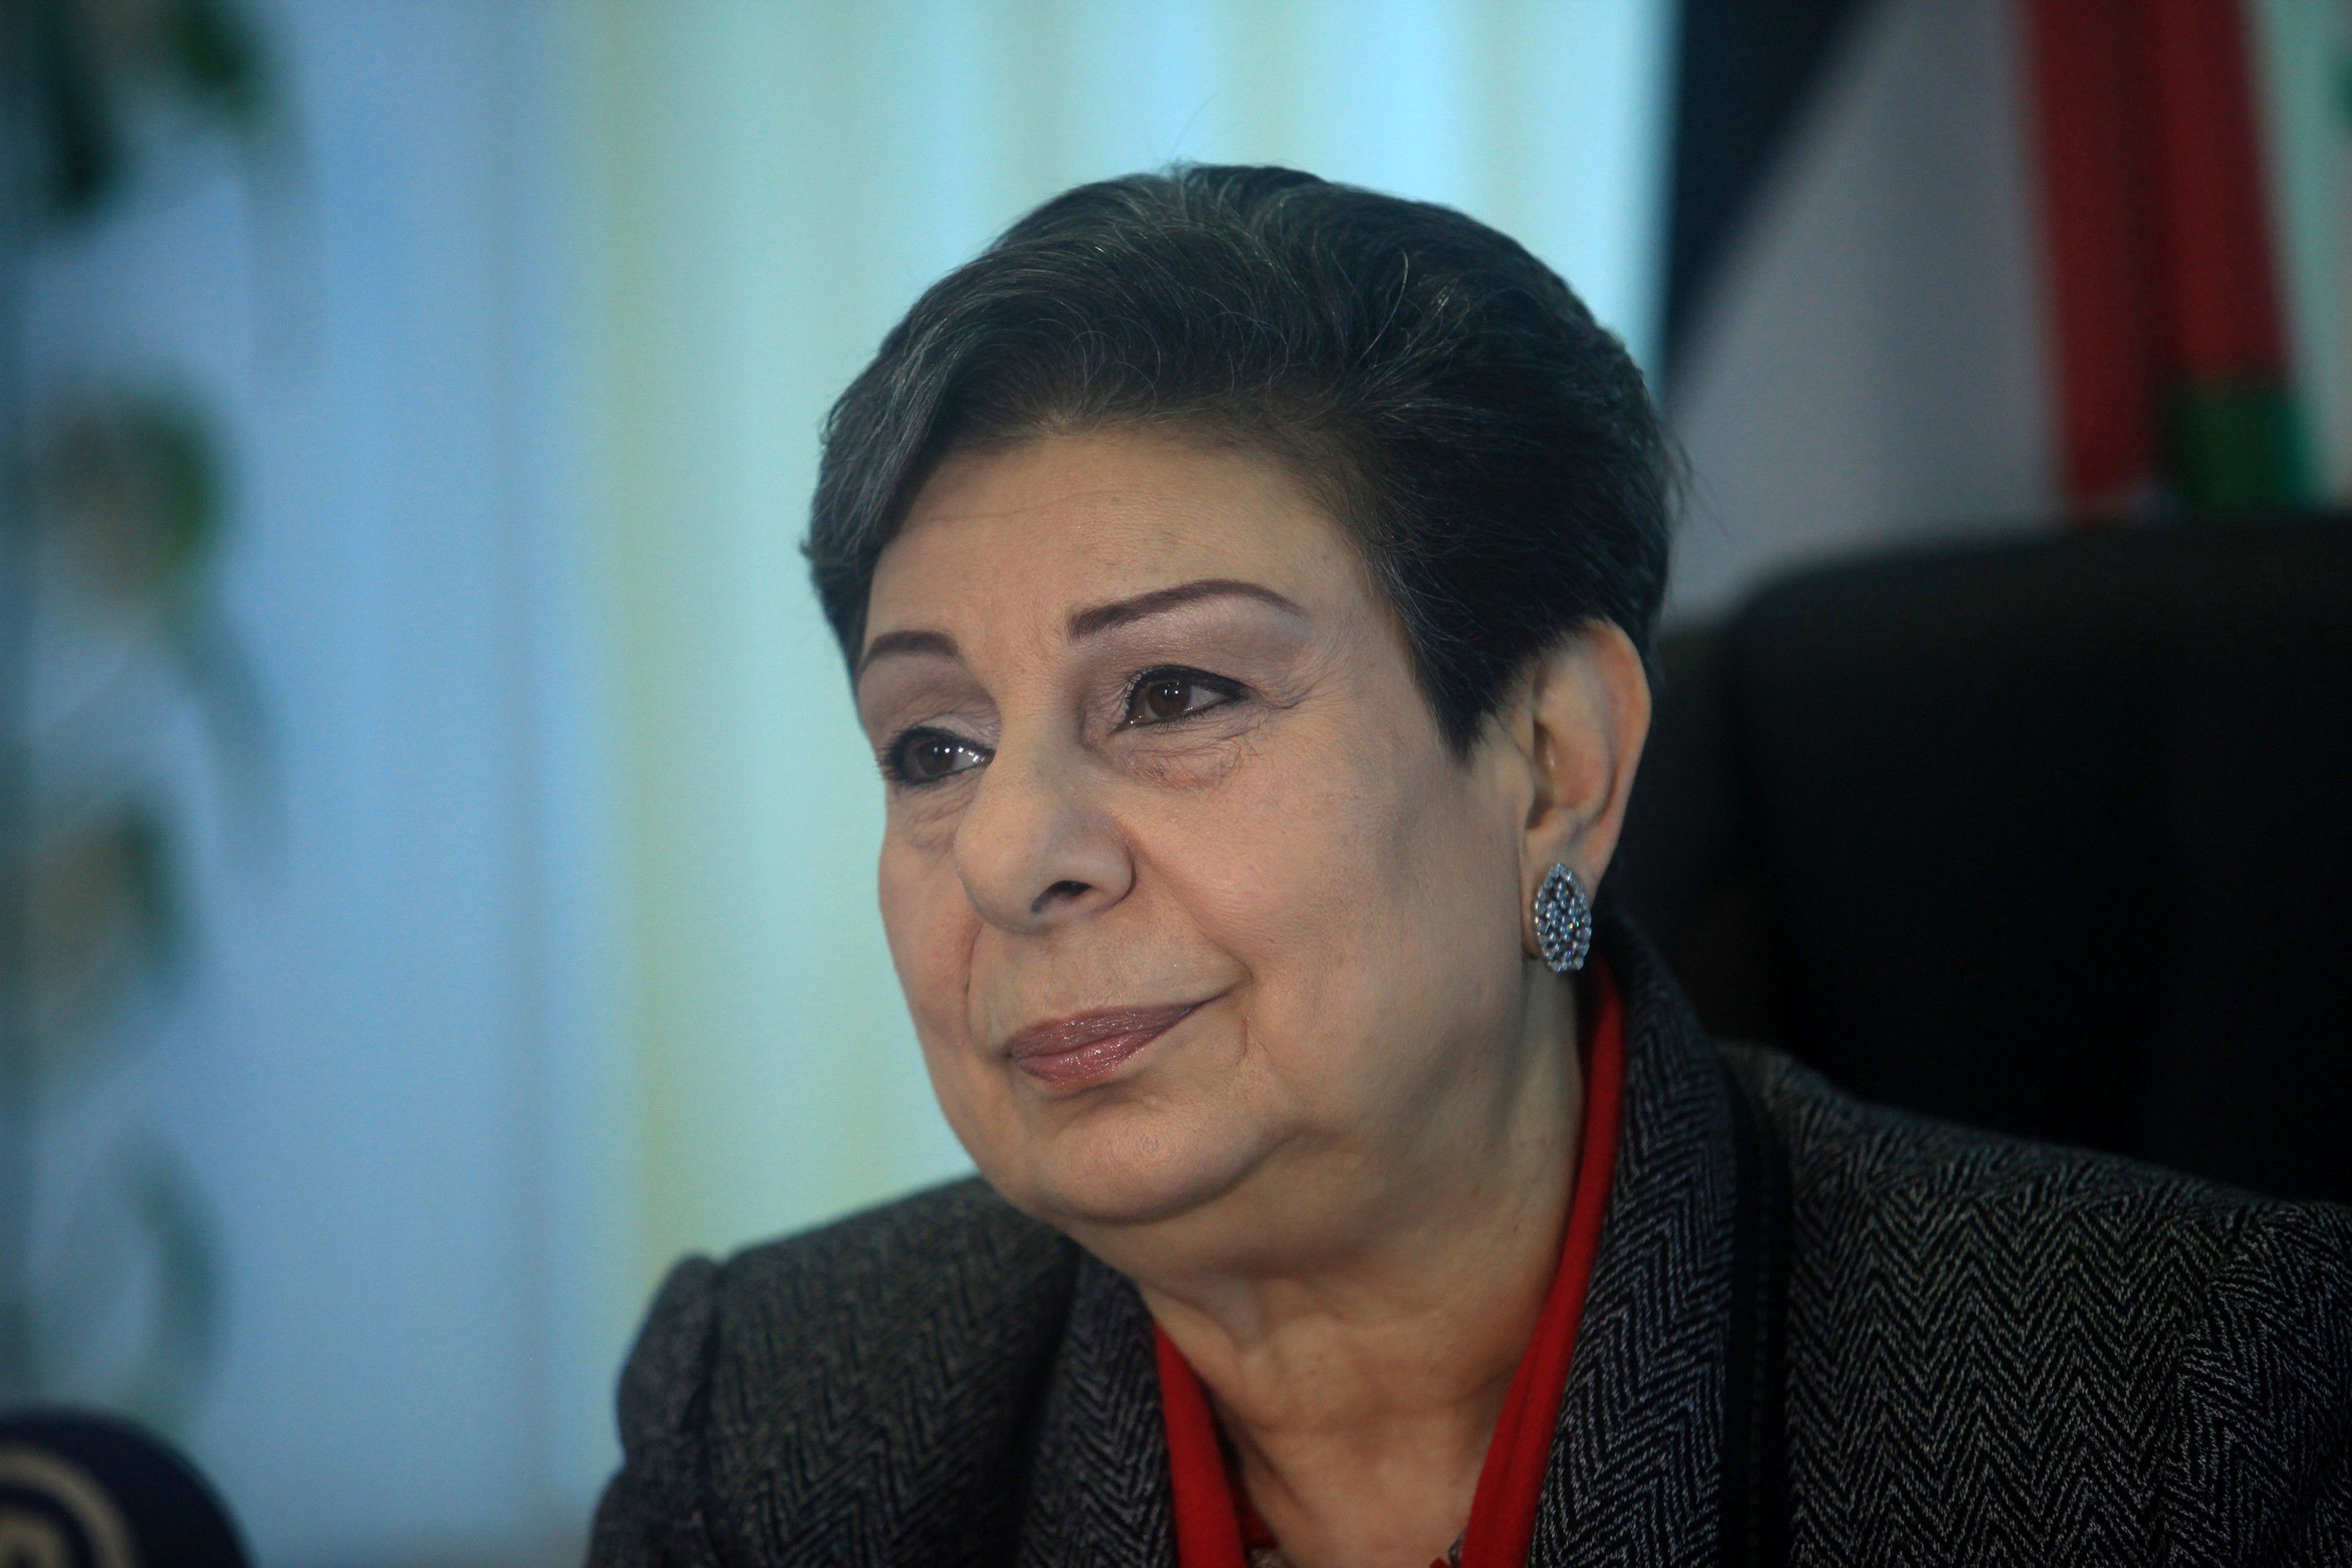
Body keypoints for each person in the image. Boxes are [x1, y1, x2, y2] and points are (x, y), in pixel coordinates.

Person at [587, 166, 2352, 1568]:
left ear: (1549, 768)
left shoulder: (2194, 1415)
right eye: (933, 746)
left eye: (1174, 692)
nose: (1005, 856)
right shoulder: (781, 1421)